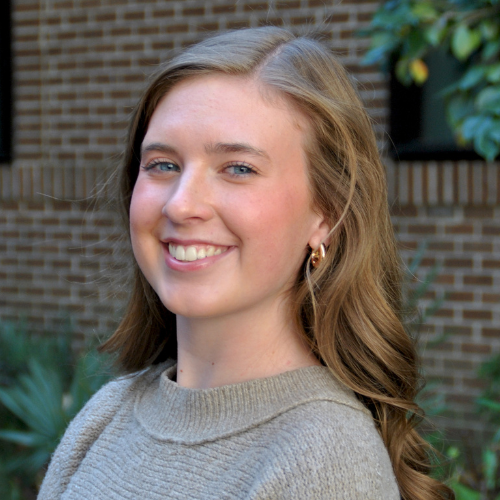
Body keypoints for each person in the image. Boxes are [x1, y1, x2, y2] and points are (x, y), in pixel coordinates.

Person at [38, 27, 453, 500]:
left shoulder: (324, 461)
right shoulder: (107, 415)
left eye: (238, 168)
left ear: (326, 215)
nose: (180, 205)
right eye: (162, 164)